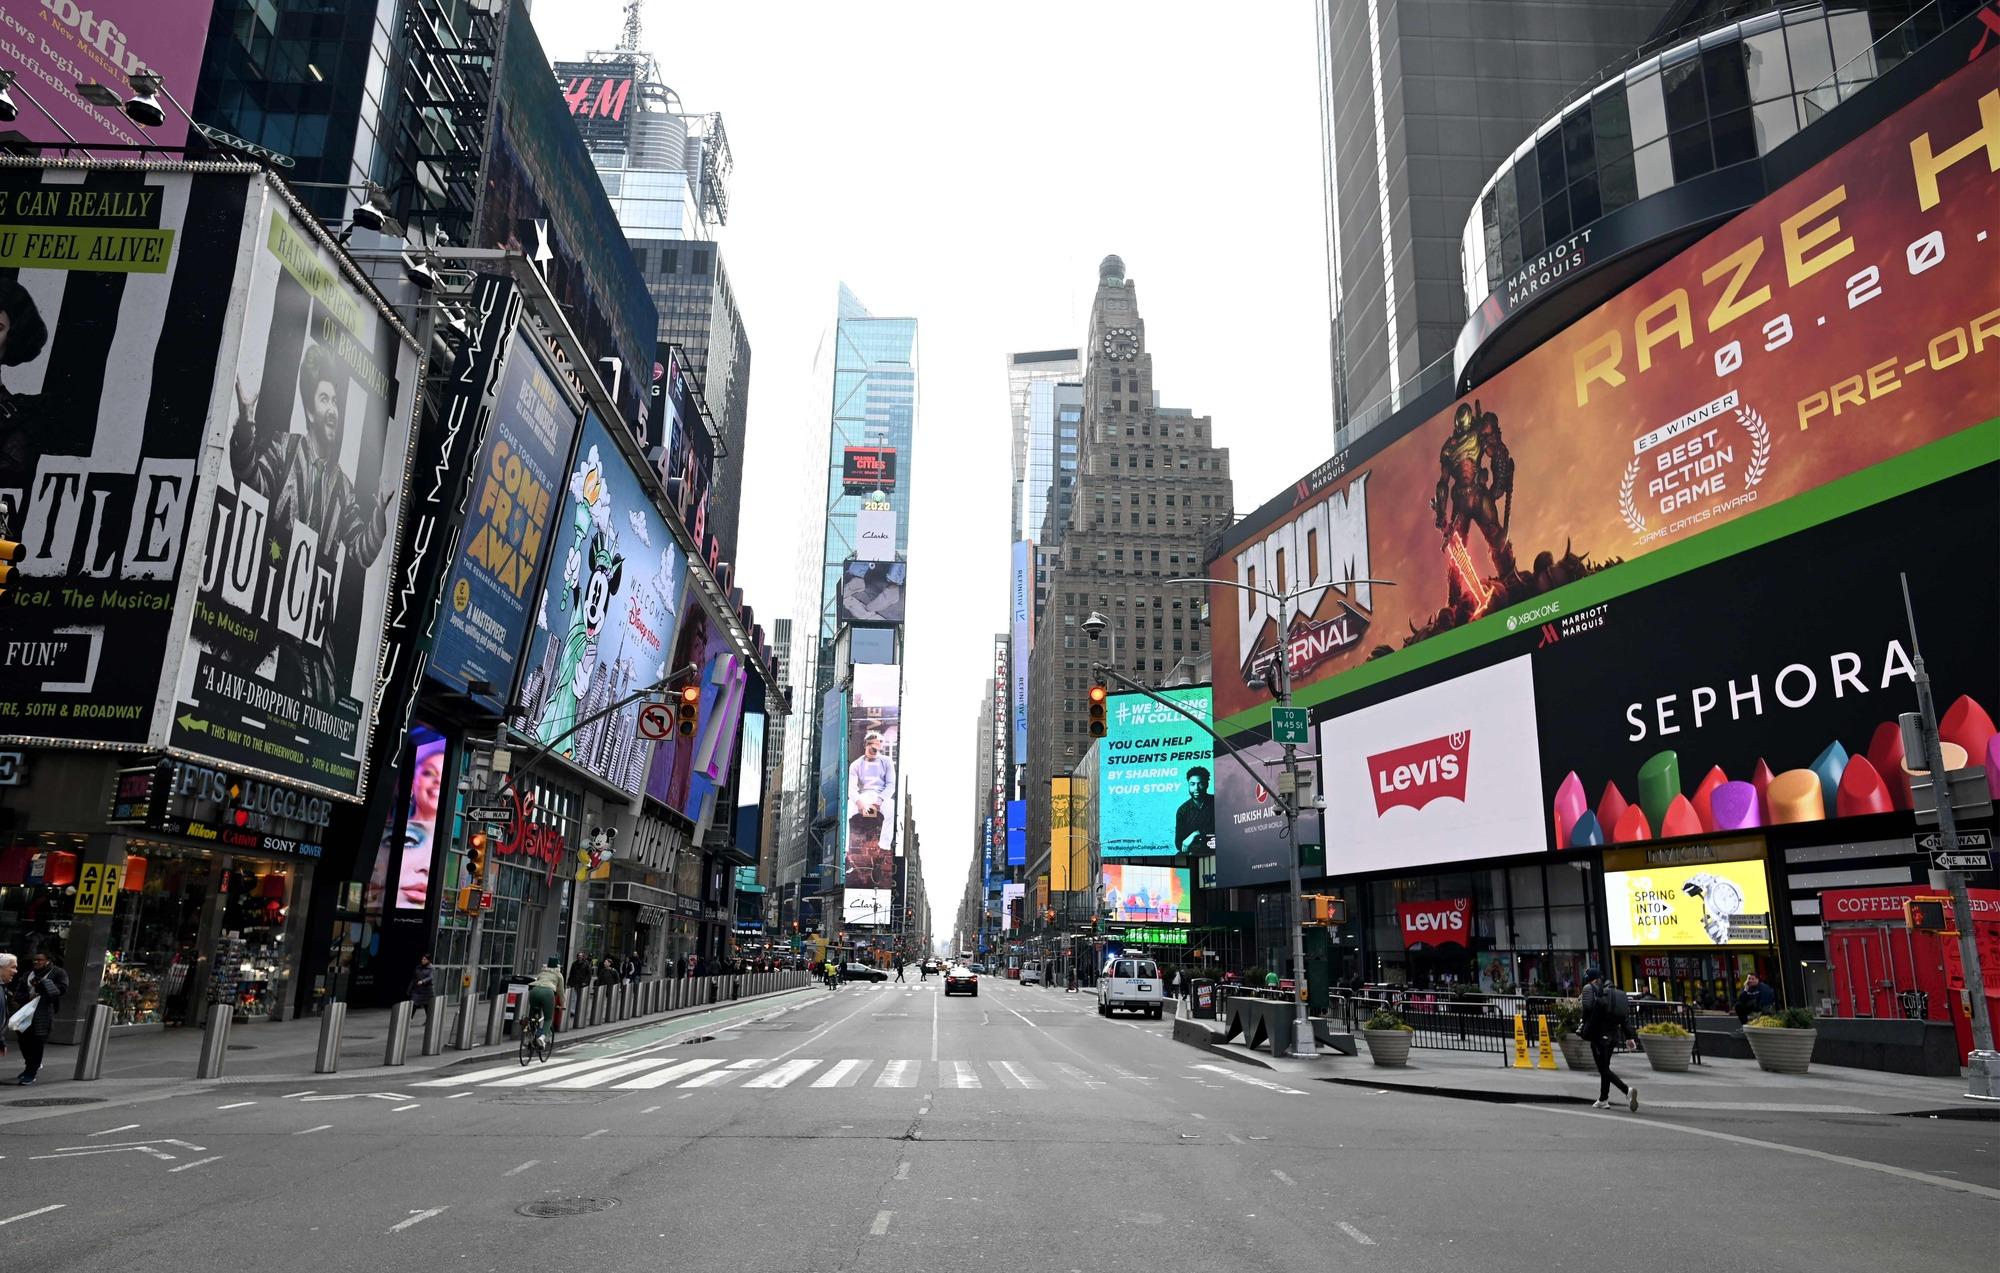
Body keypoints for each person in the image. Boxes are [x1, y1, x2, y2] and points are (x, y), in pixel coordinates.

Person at [228, 346, 397, 705]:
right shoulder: (284, 450)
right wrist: (245, 426)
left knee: (323, 703)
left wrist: (379, 513)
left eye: (335, 400)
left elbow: (361, 551)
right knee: (231, 694)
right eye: (324, 399)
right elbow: (250, 480)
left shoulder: (342, 486)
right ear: (309, 410)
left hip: (313, 624)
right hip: (268, 606)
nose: (333, 410)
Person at [1580, 968, 1638, 1112]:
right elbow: (1624, 1018)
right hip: (1613, 1037)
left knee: (1603, 1069)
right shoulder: (1615, 997)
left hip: (1599, 1037)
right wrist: (1629, 1037)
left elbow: (1589, 1012)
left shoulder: (1600, 997)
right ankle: (1603, 1099)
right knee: (1605, 1067)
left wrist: (1585, 1030)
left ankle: (1627, 1091)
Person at [14, 949, 67, 1085]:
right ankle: (31, 1065)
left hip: (43, 1013)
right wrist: (29, 996)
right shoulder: (28, 974)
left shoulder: (58, 972)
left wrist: (43, 984)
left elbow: (60, 991)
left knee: (37, 1042)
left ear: (48, 961)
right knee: (23, 1041)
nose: (36, 962)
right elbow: (18, 994)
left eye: (39, 960)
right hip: (25, 1012)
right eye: (34, 960)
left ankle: (30, 1072)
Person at [1174, 766, 1216, 854]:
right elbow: (1179, 843)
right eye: (1192, 784)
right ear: (1188, 785)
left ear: (1207, 784)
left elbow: (1222, 829)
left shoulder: (1217, 803)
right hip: (1194, 852)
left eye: (1200, 784)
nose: (1196, 788)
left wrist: (1196, 833)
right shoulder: (1182, 811)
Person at [529, 956, 565, 1037]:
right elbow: (561, 992)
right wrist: (563, 1005)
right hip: (548, 993)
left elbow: (537, 980)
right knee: (548, 1018)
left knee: (534, 1013)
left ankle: (531, 1031)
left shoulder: (542, 973)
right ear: (557, 966)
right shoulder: (559, 975)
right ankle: (542, 1038)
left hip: (534, 991)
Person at [408, 953, 435, 1024]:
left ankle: (429, 1020)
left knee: (426, 1006)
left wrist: (423, 981)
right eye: (422, 959)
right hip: (417, 990)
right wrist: (409, 989)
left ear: (428, 960)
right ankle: (409, 1019)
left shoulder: (431, 968)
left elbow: (430, 977)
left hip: (427, 990)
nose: (422, 960)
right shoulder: (418, 967)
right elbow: (414, 979)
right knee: (414, 1004)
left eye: (424, 959)